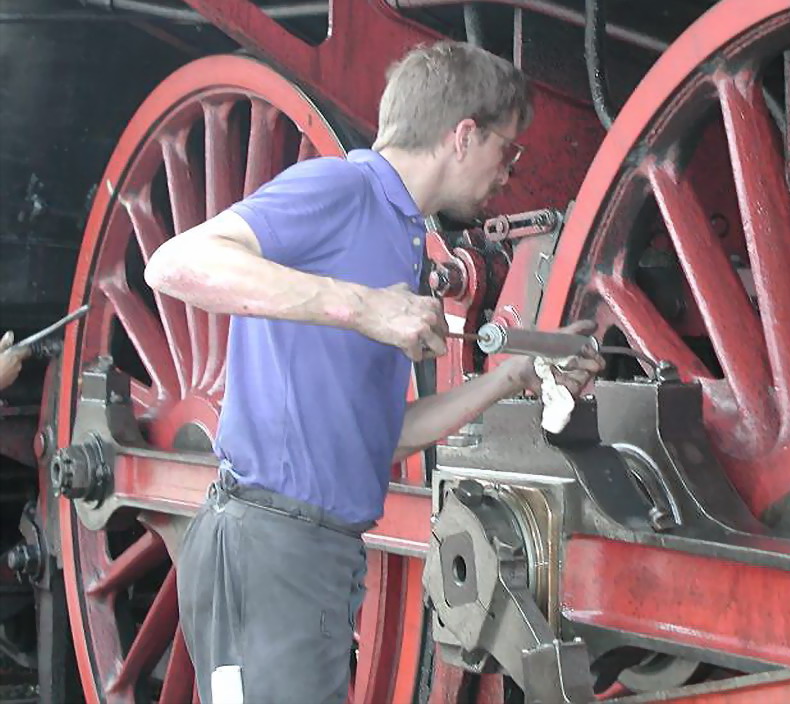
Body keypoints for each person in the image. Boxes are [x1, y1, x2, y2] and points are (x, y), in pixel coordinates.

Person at [145, 41, 603, 704]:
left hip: (314, 553)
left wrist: (513, 377)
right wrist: (363, 308)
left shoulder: (402, 233)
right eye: (508, 150)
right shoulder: (343, 188)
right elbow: (174, 264)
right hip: (272, 545)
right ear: (463, 136)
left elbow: (381, 439)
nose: (509, 172)